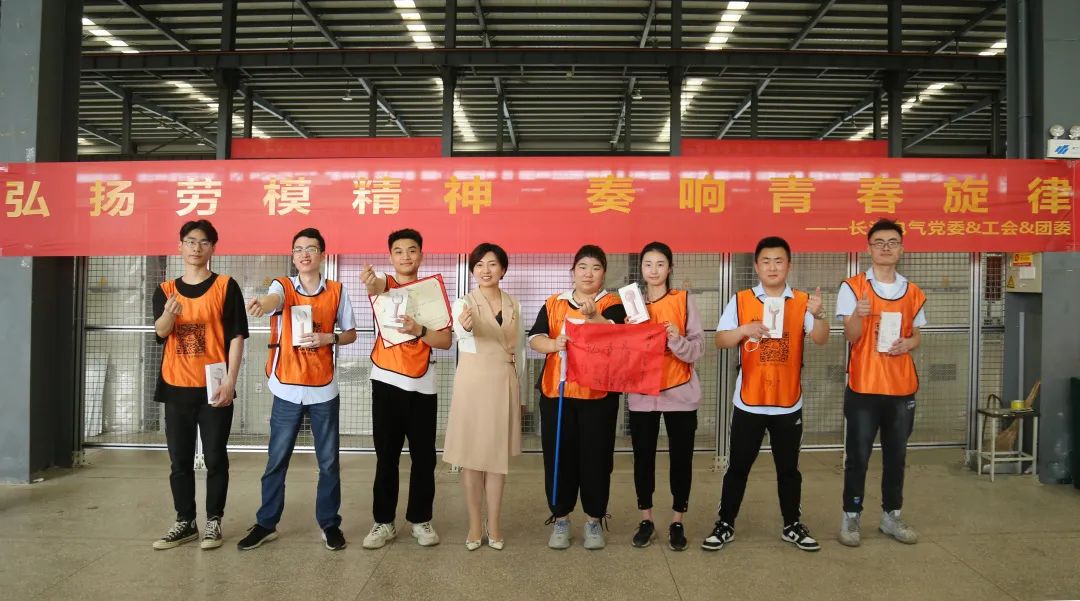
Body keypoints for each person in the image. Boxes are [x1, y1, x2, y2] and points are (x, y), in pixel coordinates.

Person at [702, 236, 828, 553]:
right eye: (766, 261)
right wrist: (744, 330)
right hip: (750, 400)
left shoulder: (802, 301)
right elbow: (720, 340)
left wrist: (819, 315)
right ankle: (725, 523)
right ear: (756, 267)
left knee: (789, 470)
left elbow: (821, 338)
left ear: (789, 266)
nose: (772, 267)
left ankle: (792, 525)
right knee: (738, 467)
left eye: (779, 261)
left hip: (788, 401)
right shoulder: (741, 300)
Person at [236, 228, 358, 552]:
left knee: (328, 462)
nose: (305, 254)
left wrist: (328, 338)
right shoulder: (284, 286)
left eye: (311, 249)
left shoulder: (337, 291)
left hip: (323, 389)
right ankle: (266, 523)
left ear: (322, 255)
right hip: (287, 388)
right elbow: (274, 300)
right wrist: (263, 303)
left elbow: (351, 333)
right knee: (277, 460)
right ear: (292, 256)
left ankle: (329, 524)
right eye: (299, 249)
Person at [151, 219, 248, 551]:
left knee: (215, 457)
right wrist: (169, 313)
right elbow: (161, 331)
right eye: (190, 241)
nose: (196, 247)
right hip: (176, 385)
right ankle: (185, 521)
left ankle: (214, 521)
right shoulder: (165, 290)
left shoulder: (226, 286)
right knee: (179, 460)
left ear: (213, 248)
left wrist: (231, 381)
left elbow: (236, 337)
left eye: (204, 242)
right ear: (180, 246)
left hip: (214, 387)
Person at [528, 245, 627, 550]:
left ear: (604, 273)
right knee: (560, 457)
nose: (588, 274)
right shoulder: (554, 303)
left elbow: (617, 336)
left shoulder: (612, 304)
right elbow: (535, 338)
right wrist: (553, 344)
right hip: (557, 393)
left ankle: (594, 520)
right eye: (582, 267)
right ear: (573, 271)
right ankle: (561, 518)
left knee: (596, 459)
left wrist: (594, 315)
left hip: (598, 396)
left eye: (596, 268)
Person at [359, 229, 452, 549]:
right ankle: (383, 522)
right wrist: (370, 280)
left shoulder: (431, 293)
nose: (406, 256)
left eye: (412, 250)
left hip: (423, 385)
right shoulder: (386, 284)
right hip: (386, 381)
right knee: (386, 457)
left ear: (421, 255)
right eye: (398, 251)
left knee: (424, 458)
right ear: (390, 257)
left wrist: (419, 329)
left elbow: (445, 341)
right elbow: (375, 285)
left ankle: (421, 520)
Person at [836, 218, 926, 547]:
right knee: (858, 456)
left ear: (901, 249)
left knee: (896, 456)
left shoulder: (913, 291)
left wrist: (909, 343)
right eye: (879, 242)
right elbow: (850, 336)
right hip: (864, 386)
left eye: (892, 242)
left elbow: (916, 335)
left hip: (901, 388)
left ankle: (892, 516)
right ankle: (851, 516)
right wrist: (858, 315)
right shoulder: (853, 287)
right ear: (869, 248)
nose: (886, 248)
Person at [443, 243, 524, 551]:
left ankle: (495, 523)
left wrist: (520, 392)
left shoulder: (514, 304)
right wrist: (464, 328)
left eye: (492, 264)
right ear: (472, 271)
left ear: (503, 269)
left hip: (504, 381)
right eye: (479, 265)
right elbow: (462, 338)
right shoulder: (463, 303)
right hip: (473, 384)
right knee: (472, 459)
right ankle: (475, 525)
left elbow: (520, 349)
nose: (486, 270)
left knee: (496, 459)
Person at [625, 242, 704, 551]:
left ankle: (677, 520)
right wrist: (629, 336)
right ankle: (646, 519)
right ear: (641, 269)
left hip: (680, 393)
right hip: (642, 394)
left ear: (670, 268)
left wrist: (674, 339)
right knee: (642, 459)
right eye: (648, 264)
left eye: (660, 264)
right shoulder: (631, 304)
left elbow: (698, 348)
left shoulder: (683, 300)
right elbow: (623, 354)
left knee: (681, 459)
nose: (654, 270)